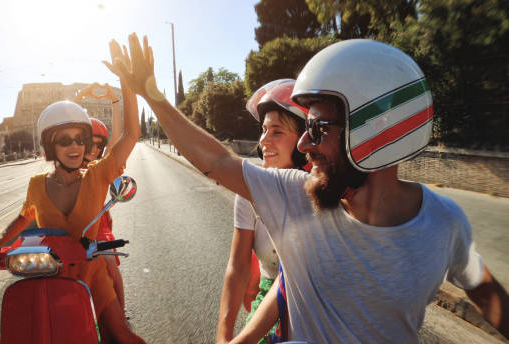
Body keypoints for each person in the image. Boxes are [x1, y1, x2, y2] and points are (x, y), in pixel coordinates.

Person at [104, 34, 508, 343]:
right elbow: (216, 161)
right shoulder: (294, 197)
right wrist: (153, 96)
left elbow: (486, 293)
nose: (303, 145)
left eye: (318, 129)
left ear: (375, 133)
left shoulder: (446, 223)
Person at [0, 70, 144, 342]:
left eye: (81, 139)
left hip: (92, 277)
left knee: (119, 335)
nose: (75, 147)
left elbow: (132, 134)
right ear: (49, 146)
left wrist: (126, 82)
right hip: (48, 277)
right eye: (64, 140)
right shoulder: (36, 184)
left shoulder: (98, 175)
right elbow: (23, 219)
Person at [217, 79, 308, 344]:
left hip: (310, 300)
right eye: (264, 130)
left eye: (276, 132)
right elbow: (237, 265)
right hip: (270, 292)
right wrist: (223, 336)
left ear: (304, 140)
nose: (264, 141)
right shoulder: (249, 190)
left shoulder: (320, 193)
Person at [75, 83, 127, 310]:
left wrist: (115, 101)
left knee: (109, 266)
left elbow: (116, 139)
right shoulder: (67, 166)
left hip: (98, 226)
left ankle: (121, 316)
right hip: (69, 226)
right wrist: (79, 98)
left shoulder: (100, 168)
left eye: (100, 145)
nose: (96, 149)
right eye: (91, 143)